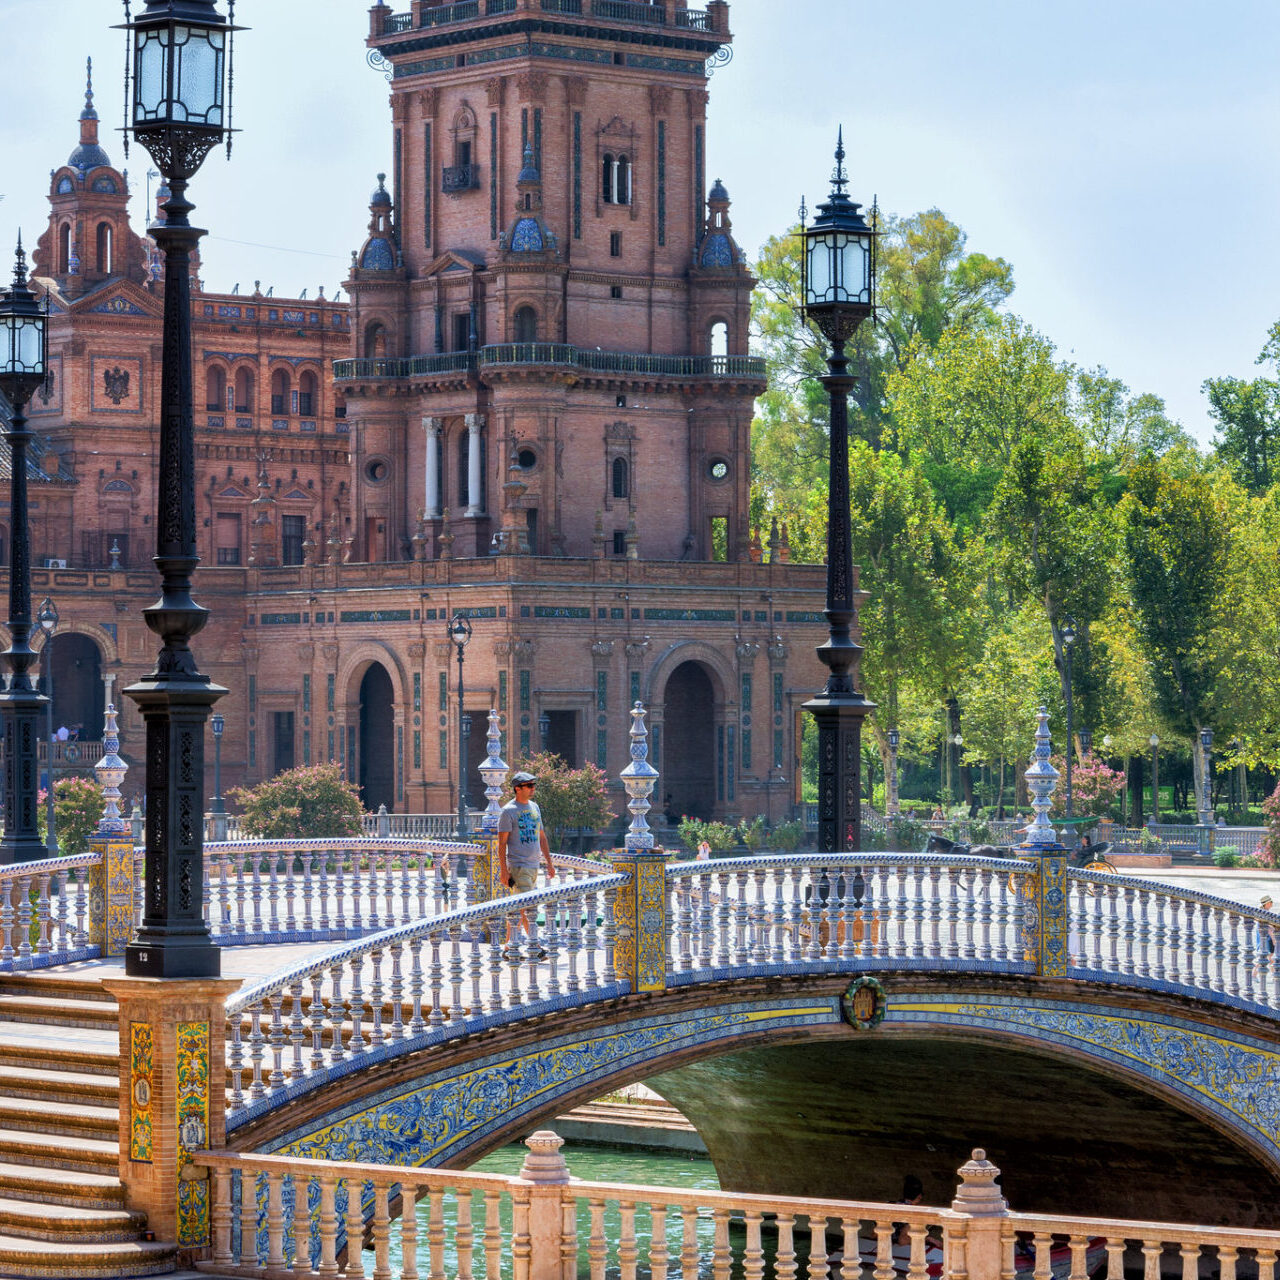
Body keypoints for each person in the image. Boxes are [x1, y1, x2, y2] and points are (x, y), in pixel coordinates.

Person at [497, 771, 557, 960]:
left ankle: (508, 947)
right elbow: (502, 844)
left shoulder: (535, 807)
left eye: (533, 785)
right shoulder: (508, 811)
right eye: (529, 786)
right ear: (518, 788)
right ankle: (535, 946)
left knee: (518, 907)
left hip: (533, 866)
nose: (533, 789)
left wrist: (549, 862)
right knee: (527, 907)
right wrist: (504, 871)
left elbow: (542, 837)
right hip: (518, 866)